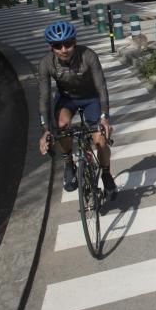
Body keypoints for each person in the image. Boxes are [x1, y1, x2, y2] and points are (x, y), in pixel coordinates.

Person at [37, 20, 117, 197]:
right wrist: (45, 130)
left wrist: (104, 117)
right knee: (61, 125)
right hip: (67, 99)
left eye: (68, 43)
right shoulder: (46, 63)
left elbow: (101, 87)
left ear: (74, 41)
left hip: (91, 98)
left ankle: (106, 173)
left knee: (100, 140)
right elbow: (44, 97)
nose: (64, 49)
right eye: (58, 45)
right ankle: (68, 163)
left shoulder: (88, 55)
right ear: (51, 46)